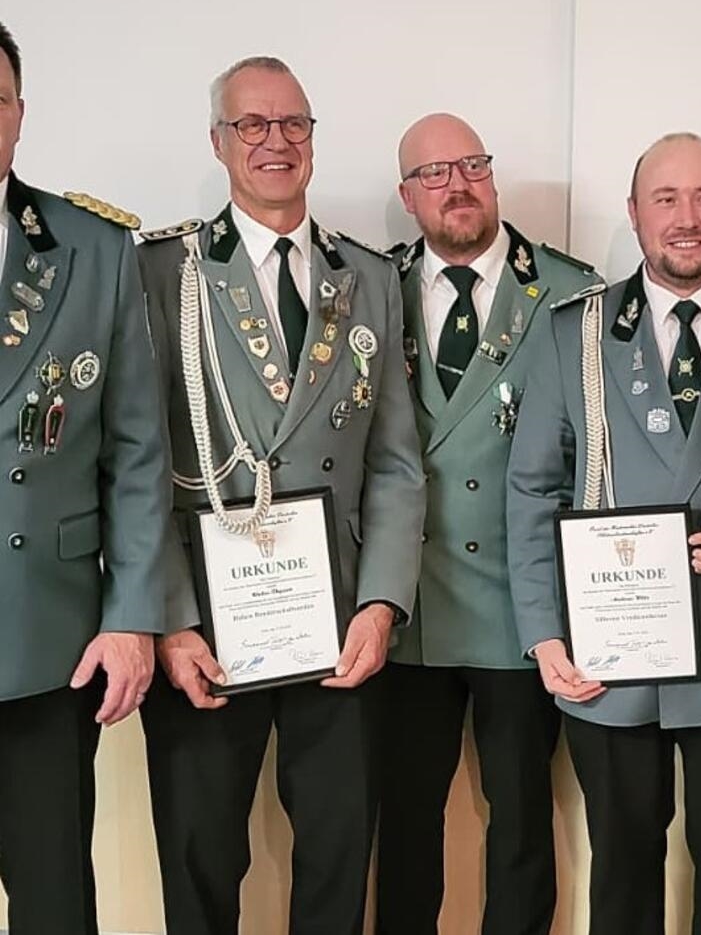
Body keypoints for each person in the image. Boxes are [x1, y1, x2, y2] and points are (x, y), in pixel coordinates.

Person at [135, 55, 426, 935]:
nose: (275, 142)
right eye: (253, 126)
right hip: (205, 630)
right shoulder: (163, 272)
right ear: (219, 143)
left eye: (293, 124)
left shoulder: (366, 277)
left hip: (336, 625)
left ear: (312, 138)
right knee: (200, 857)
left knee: (338, 856)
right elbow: (136, 460)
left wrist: (380, 607)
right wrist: (168, 620)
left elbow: (396, 463)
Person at [506, 132, 701, 935]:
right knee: (623, 874)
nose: (687, 219)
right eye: (667, 200)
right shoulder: (573, 329)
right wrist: (544, 634)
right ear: (637, 214)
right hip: (612, 651)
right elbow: (533, 488)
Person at [374, 113, 601, 935]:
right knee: (402, 824)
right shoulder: (369, 286)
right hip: (405, 608)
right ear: (406, 196)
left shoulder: (573, 294)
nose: (456, 185)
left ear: (493, 177)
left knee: (521, 827)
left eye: (471, 165)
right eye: (433, 174)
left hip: (520, 610)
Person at [0, 20, 170, 935]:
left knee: (54, 900)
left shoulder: (89, 247)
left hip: (48, 637)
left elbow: (136, 450)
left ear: (19, 114)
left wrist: (133, 615)